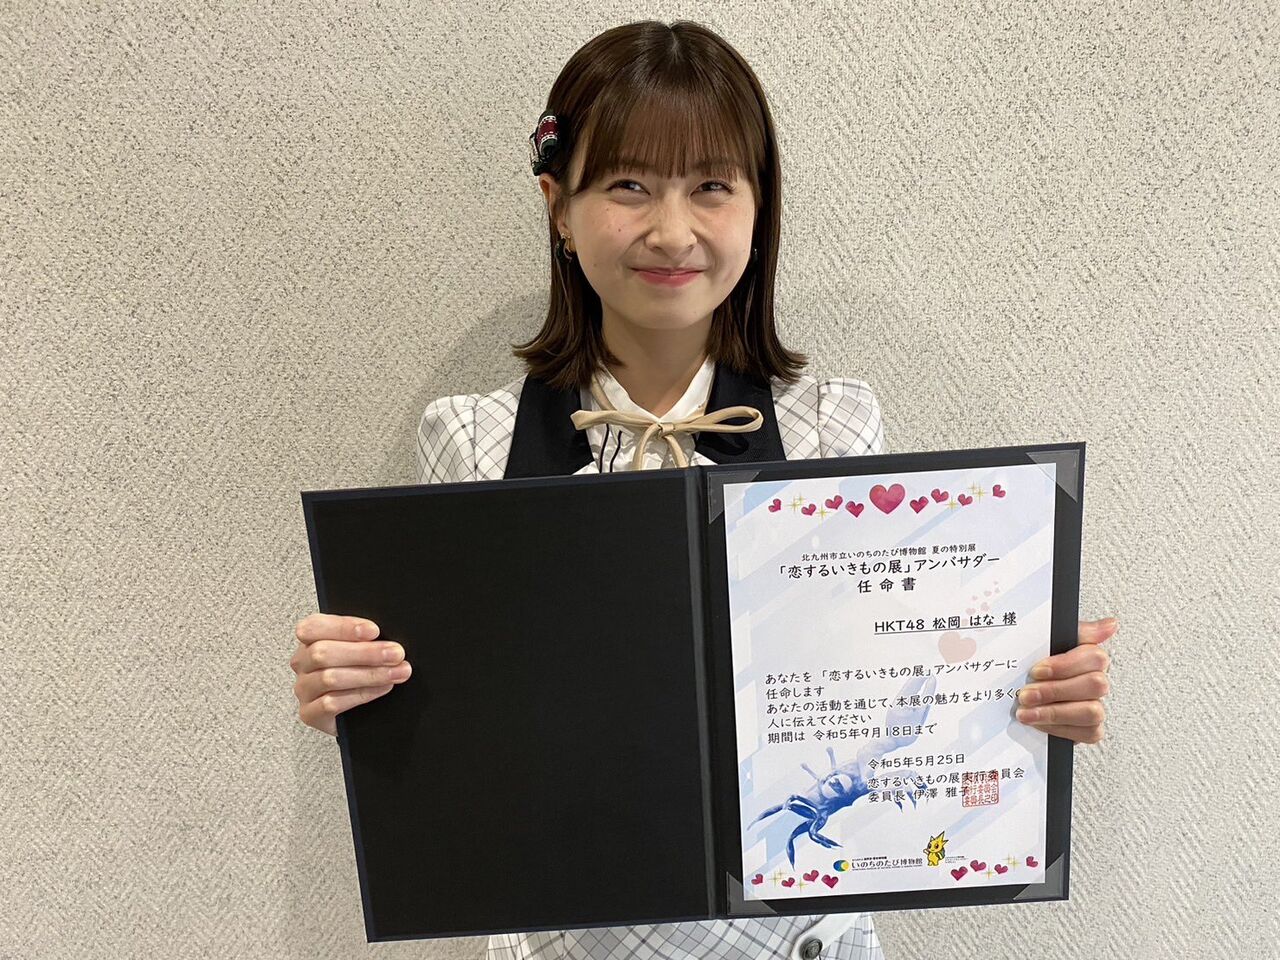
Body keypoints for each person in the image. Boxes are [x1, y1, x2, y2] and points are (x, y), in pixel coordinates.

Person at [290, 19, 1117, 960]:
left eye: (712, 187)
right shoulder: (473, 440)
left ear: (759, 208)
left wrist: (1020, 688)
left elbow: (889, 690)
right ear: (558, 206)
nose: (672, 230)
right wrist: (359, 695)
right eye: (629, 185)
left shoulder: (832, 425)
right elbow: (459, 735)